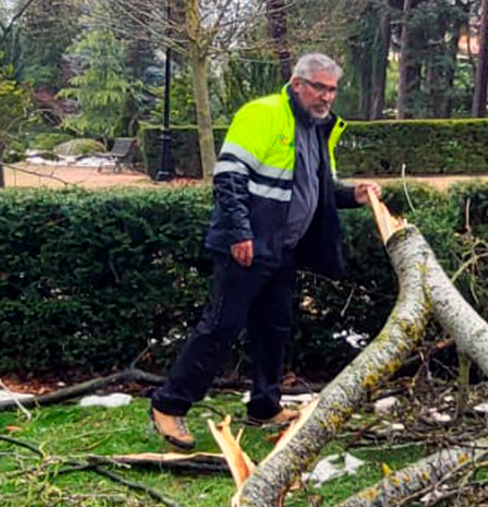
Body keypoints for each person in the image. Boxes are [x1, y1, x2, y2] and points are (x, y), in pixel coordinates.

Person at [149, 54, 380, 450]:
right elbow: (229, 177)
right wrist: (241, 234)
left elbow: (316, 192)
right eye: (319, 87)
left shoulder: (318, 130)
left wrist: (354, 195)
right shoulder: (263, 114)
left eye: (332, 89)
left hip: (282, 250)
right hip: (247, 246)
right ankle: (169, 405)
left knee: (273, 329)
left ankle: (264, 406)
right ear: (296, 84)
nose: (327, 96)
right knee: (221, 327)